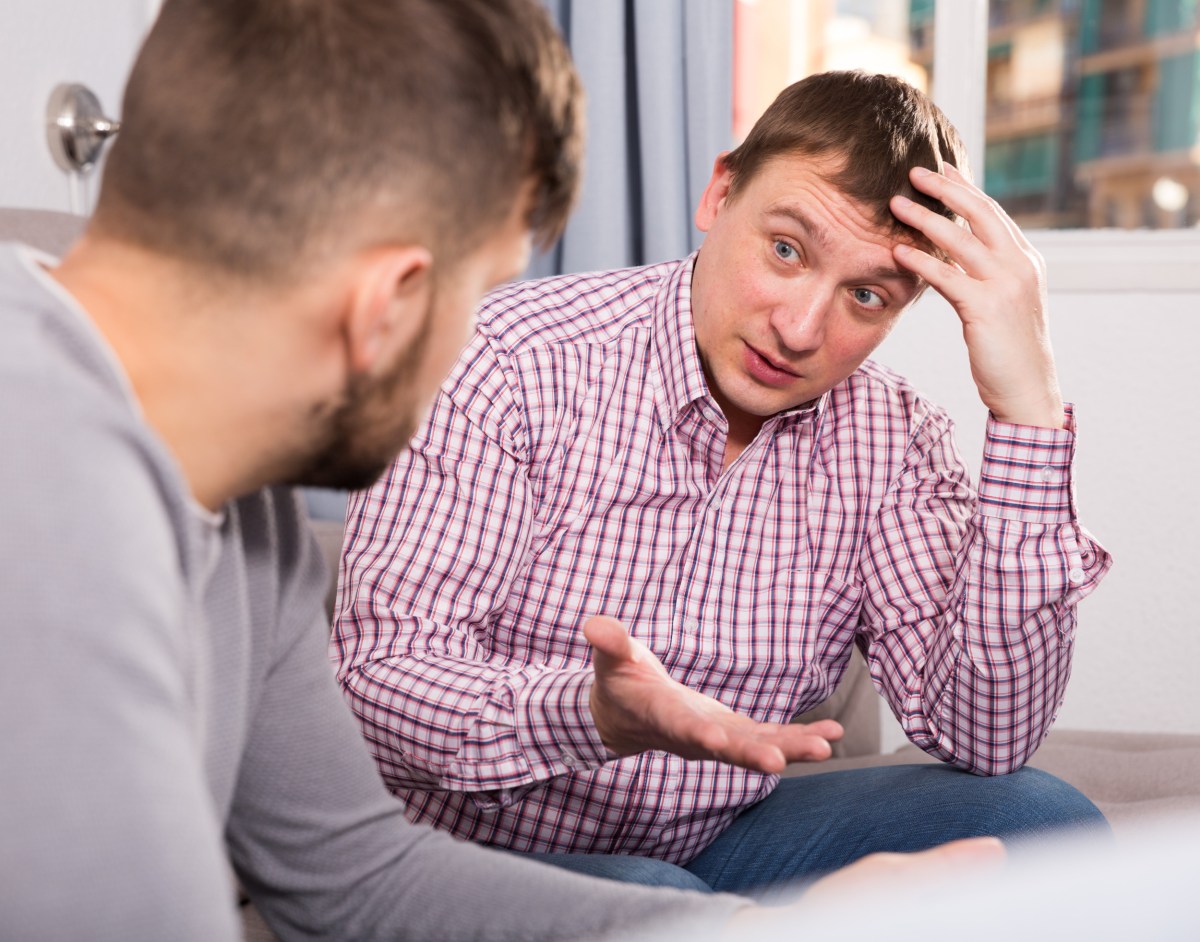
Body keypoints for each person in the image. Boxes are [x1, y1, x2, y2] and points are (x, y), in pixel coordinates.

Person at [0, 1, 940, 938]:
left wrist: (742, 929)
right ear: (390, 299)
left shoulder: (244, 500)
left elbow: (355, 877)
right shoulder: (45, 486)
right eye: (481, 290)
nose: (475, 340)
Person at [332, 69, 1113, 895]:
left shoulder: (894, 437)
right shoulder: (504, 363)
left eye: (865, 296)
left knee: (1043, 822)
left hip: (713, 842)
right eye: (786, 250)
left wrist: (1027, 409)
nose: (800, 329)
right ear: (720, 193)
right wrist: (591, 715)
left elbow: (987, 737)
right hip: (470, 852)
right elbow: (382, 680)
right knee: (660, 902)